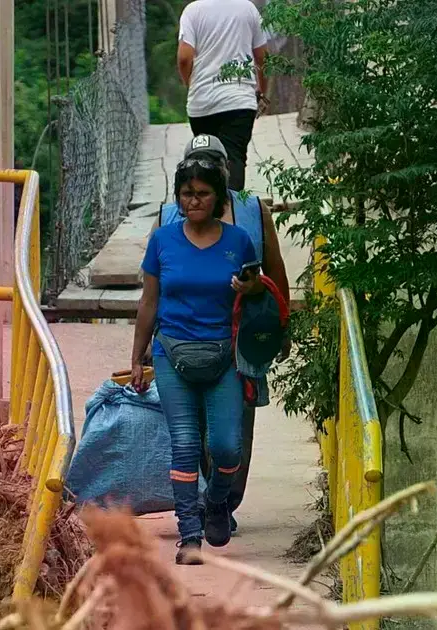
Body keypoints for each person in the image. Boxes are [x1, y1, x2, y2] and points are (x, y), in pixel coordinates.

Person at [152, 135, 292, 536]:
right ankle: (203, 501)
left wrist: (281, 325)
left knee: (235, 425)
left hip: (238, 338)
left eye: (211, 162)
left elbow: (274, 268)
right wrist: (147, 345)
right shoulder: (167, 217)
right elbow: (154, 286)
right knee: (190, 427)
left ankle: (225, 500)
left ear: (224, 170)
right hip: (182, 339)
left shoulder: (251, 210)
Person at [131, 157, 262, 565]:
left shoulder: (238, 241)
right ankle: (189, 534)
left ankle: (217, 503)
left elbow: (257, 294)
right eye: (187, 194)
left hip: (224, 355)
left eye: (203, 193)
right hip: (173, 354)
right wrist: (137, 357)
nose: (194, 201)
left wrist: (251, 286)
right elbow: (149, 300)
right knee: (185, 445)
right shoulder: (162, 240)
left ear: (219, 198)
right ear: (178, 197)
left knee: (226, 446)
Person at [177, 0, 270, 190]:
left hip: (202, 103)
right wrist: (262, 89)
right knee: (234, 157)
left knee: (206, 160)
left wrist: (191, 84)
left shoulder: (192, 11)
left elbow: (184, 58)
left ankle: (208, 214)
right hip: (239, 100)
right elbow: (263, 57)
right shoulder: (247, 8)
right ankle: (232, 213)